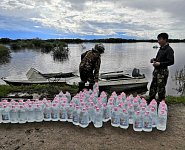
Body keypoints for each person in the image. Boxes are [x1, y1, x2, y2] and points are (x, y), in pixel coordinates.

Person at [148, 33, 174, 104]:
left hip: (163, 72)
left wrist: (160, 64)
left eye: (159, 39)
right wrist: (154, 59)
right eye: (158, 39)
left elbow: (171, 61)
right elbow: (159, 59)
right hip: (156, 71)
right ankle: (151, 100)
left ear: (165, 39)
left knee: (161, 88)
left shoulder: (169, 49)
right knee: (153, 86)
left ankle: (161, 103)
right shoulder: (161, 49)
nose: (158, 41)